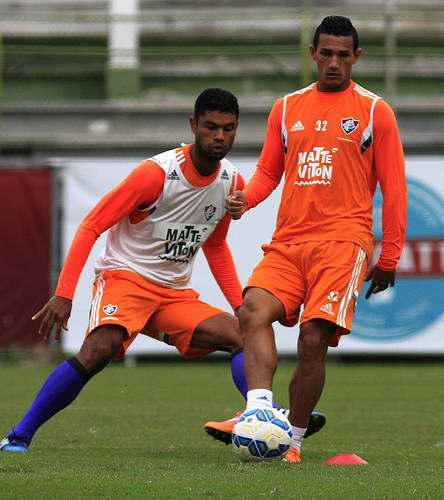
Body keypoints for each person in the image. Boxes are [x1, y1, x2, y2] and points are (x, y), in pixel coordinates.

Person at [0, 88, 325, 452]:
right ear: (193, 125)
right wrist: (64, 293)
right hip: (125, 280)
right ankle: (19, 435)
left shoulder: (231, 182)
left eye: (228, 128)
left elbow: (215, 245)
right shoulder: (155, 174)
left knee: (242, 335)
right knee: (99, 350)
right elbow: (91, 225)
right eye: (210, 127)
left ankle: (257, 414)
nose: (219, 136)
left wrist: (239, 307)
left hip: (173, 295)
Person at [224, 16, 407, 463]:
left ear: (356, 57)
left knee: (311, 338)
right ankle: (260, 412)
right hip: (288, 243)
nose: (334, 62)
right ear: (312, 54)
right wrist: (246, 198)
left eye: (343, 55)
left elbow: (395, 187)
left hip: (343, 243)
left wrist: (389, 256)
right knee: (251, 311)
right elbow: (269, 172)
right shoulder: (286, 108)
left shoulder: (374, 111)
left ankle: (293, 443)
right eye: (326, 53)